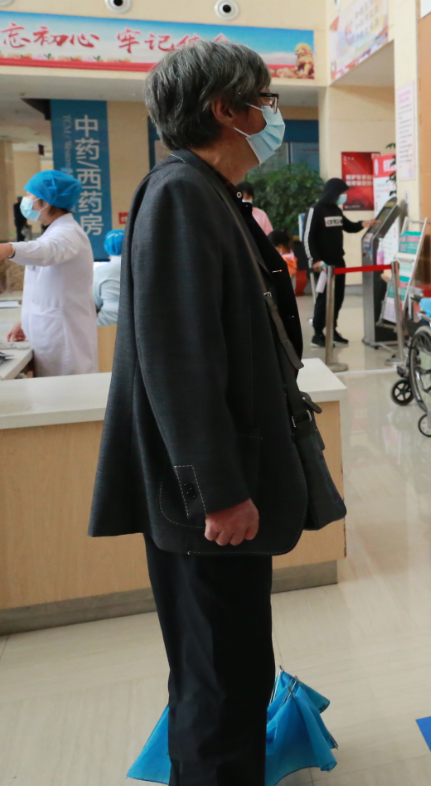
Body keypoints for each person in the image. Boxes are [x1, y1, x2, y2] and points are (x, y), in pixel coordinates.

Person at [91, 39, 308, 786]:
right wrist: (216, 490)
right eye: (266, 102)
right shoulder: (181, 194)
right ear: (226, 110)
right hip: (206, 499)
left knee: (234, 668)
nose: (272, 115)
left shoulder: (209, 193)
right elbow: (179, 359)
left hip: (221, 482)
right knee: (219, 679)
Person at [0, 170, 100, 376]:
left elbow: (47, 252)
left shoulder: (68, 234)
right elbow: (45, 287)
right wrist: (27, 321)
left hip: (63, 337)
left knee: (69, 391)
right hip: (50, 332)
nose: (26, 201)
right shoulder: (55, 231)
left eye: (29, 196)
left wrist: (8, 249)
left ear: (45, 202)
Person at [303, 177, 369, 347]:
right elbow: (307, 238)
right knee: (324, 299)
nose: (344, 196)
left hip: (338, 261)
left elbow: (349, 227)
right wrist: (315, 260)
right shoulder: (315, 210)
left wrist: (363, 224)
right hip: (323, 265)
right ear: (334, 192)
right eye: (342, 193)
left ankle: (332, 330)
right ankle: (318, 334)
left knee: (337, 298)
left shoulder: (336, 210)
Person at [93, 228, 126, 328]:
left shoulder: (101, 271)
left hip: (106, 325)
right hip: (138, 326)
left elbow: (94, 301)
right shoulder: (142, 269)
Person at [269, 228, 303, 295]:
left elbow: (283, 274)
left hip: (284, 293)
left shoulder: (285, 261)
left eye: (271, 248)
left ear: (280, 247)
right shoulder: (289, 257)